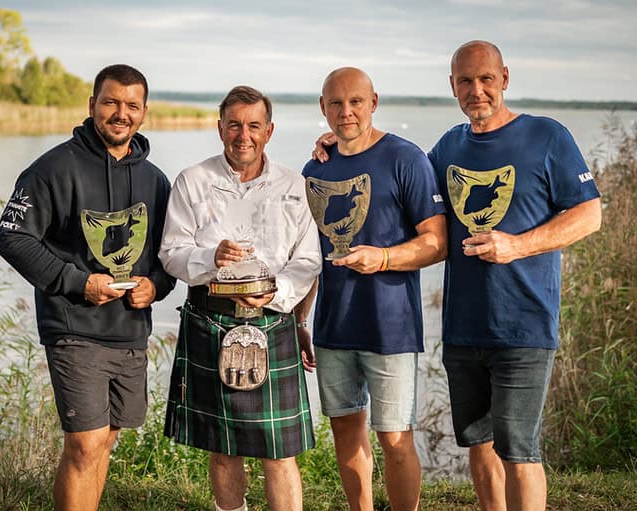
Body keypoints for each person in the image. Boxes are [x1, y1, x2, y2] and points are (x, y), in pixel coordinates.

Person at [428, 41, 602, 511]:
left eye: (486, 79)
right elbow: (401, 186)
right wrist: (340, 145)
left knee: (519, 452)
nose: (476, 89)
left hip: (524, 326)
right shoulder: (448, 146)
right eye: (465, 81)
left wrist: (517, 245)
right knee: (479, 447)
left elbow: (589, 215)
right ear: (453, 87)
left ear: (505, 78)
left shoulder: (547, 136)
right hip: (463, 327)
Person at [0, 64, 176, 511]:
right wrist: (79, 283)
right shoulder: (54, 167)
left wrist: (155, 286)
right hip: (74, 325)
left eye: (132, 105)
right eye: (111, 102)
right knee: (86, 442)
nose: (121, 113)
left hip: (130, 329)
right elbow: (11, 237)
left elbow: (169, 256)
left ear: (144, 112)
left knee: (105, 440)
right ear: (92, 104)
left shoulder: (155, 180)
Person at [160, 85, 321, 511]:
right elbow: (171, 254)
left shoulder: (293, 185)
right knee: (223, 446)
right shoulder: (193, 181)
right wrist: (210, 258)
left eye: (253, 126)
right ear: (219, 129)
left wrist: (276, 293)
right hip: (210, 321)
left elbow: (308, 260)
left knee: (279, 451)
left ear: (269, 130)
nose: (243, 135)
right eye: (234, 125)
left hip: (273, 321)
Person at [302, 67, 447, 511]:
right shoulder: (315, 167)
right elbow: (309, 254)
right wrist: (300, 318)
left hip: (391, 326)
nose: (346, 112)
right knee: (345, 431)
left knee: (396, 436)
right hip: (333, 324)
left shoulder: (406, 158)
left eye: (356, 102)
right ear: (323, 107)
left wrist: (382, 258)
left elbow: (437, 242)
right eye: (336, 103)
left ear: (374, 102)